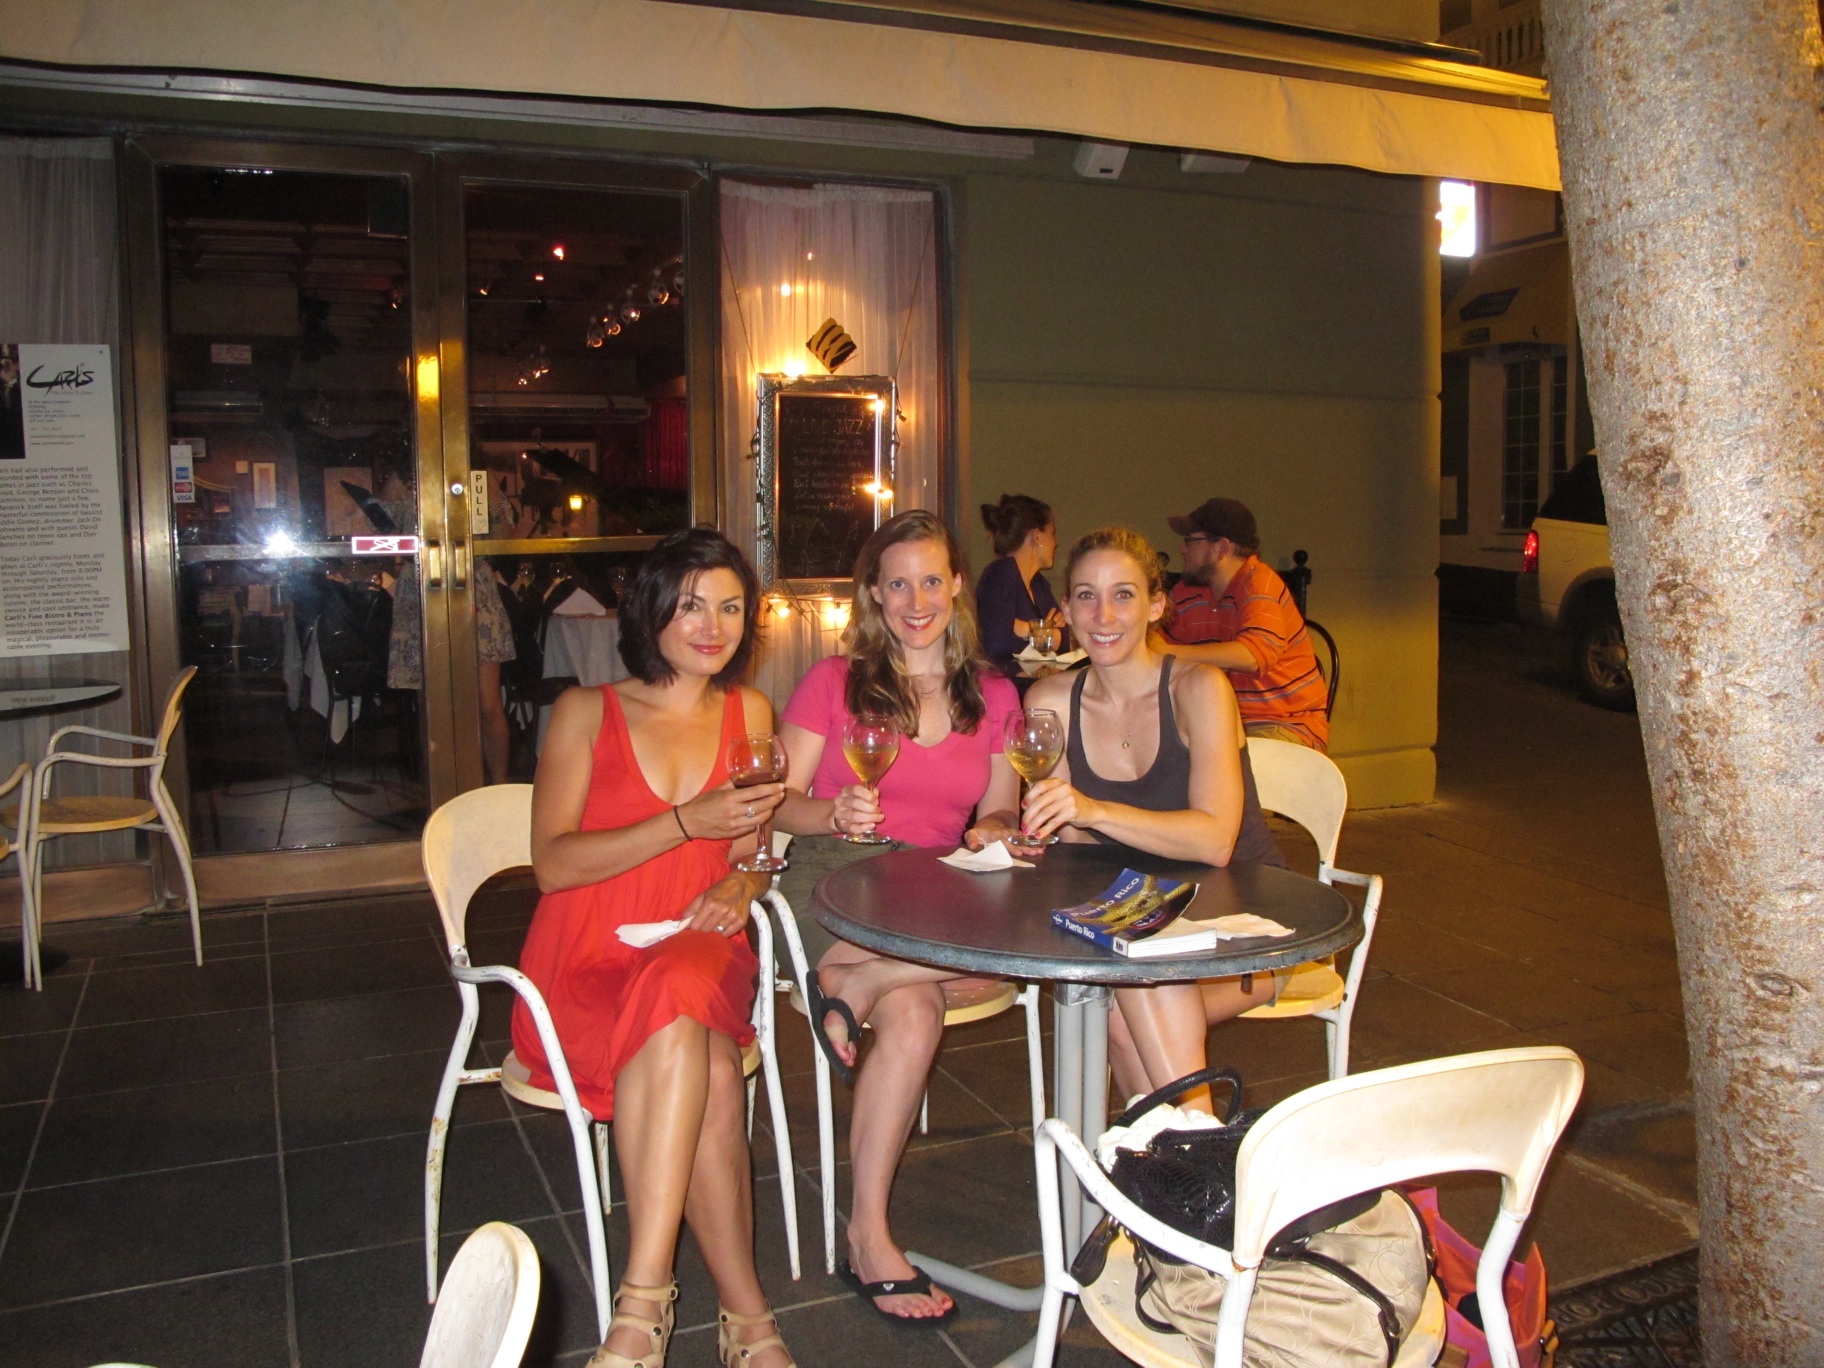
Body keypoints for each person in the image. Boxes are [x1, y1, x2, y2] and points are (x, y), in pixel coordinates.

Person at [513, 528, 796, 1368]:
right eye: (692, 606)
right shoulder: (585, 712)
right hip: (587, 956)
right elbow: (552, 865)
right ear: (651, 611)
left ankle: (642, 1307)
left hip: (699, 939)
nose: (714, 627)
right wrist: (681, 822)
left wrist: (742, 884)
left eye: (732, 609)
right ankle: (746, 1318)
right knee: (706, 1063)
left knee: (677, 989)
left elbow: (753, 854)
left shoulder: (751, 714)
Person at [775, 508, 1022, 1325]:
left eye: (931, 581)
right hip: (837, 876)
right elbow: (778, 802)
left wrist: (993, 832)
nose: (917, 601)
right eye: (898, 585)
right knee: (925, 1003)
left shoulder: (992, 694)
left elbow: (999, 810)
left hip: (935, 889)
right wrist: (830, 813)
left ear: (957, 586)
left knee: (954, 975)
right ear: (874, 596)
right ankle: (871, 1236)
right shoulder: (832, 682)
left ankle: (860, 982)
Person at [1020, 526, 1289, 1106]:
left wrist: (1093, 809)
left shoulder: (1198, 688)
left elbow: (1215, 841)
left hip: (1250, 924)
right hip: (1140, 915)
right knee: (1128, 988)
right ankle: (1191, 1146)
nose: (1103, 615)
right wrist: (1036, 832)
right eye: (1086, 596)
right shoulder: (1050, 702)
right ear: (1065, 610)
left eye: (1123, 594)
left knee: (1128, 991)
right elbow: (1074, 848)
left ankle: (1182, 1146)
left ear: (1156, 605)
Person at [1161, 497, 1330, 751]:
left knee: (1228, 766)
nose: (1182, 549)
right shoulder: (1188, 591)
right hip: (1217, 724)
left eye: (1190, 541)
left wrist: (1169, 653)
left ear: (1221, 548)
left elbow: (1252, 655)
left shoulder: (1259, 584)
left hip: (1281, 724)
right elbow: (1153, 638)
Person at [974, 493, 1064, 676]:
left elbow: (1064, 640)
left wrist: (1023, 628)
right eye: (1052, 533)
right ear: (1037, 536)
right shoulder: (1000, 574)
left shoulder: (1039, 584)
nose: (1056, 543)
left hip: (1038, 686)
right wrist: (1042, 632)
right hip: (1009, 688)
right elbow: (997, 644)